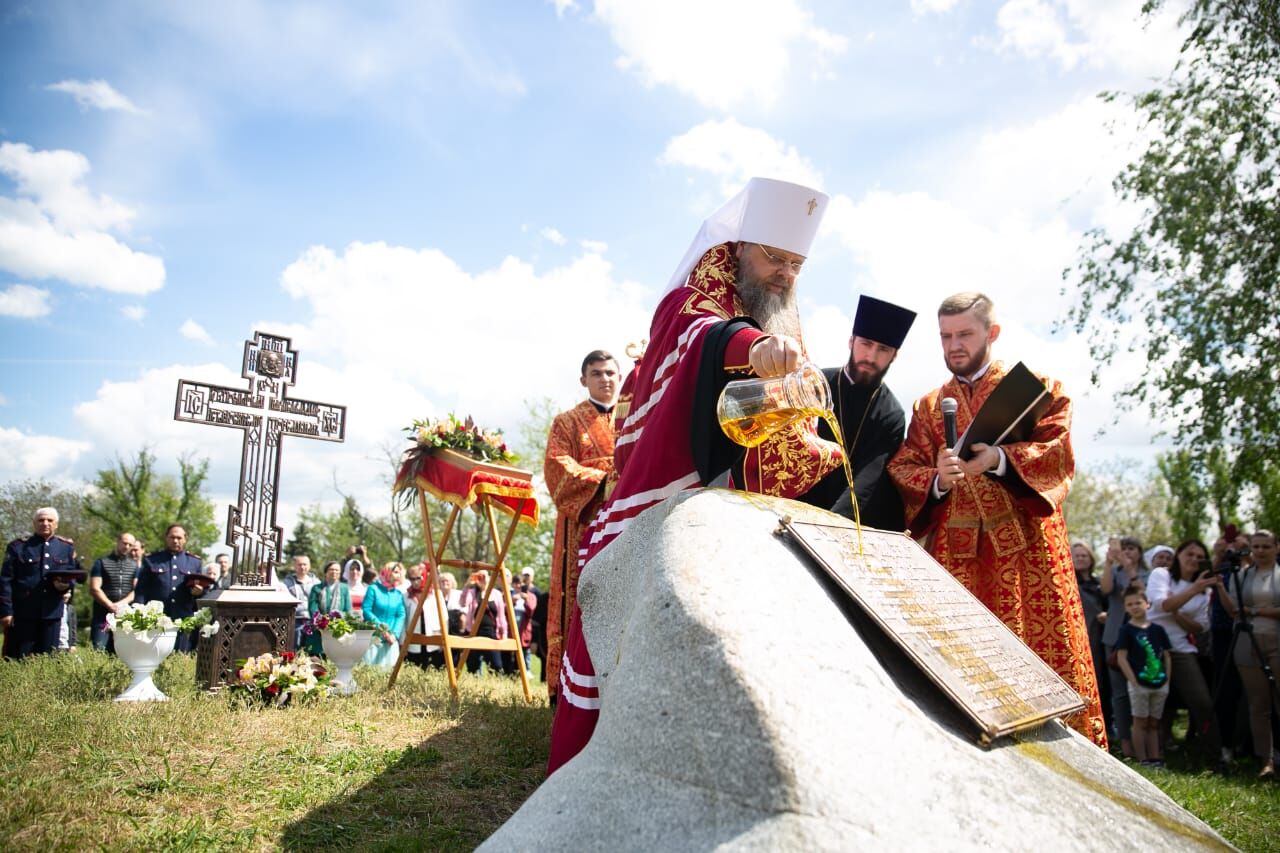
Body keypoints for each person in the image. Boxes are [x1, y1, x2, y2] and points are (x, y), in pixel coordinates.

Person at [549, 177, 841, 772]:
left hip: (750, 520)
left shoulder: (789, 320)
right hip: (674, 510)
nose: (784, 274)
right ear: (738, 251)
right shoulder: (688, 301)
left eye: (796, 264)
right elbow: (697, 334)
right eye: (773, 258)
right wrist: (751, 347)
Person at [886, 291, 1106, 748]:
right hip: (956, 560)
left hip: (1027, 556)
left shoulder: (1042, 391)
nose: (954, 346)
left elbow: (1056, 456)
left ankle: (1064, 752)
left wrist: (1001, 459)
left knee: (1038, 653)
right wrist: (937, 479)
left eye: (965, 334)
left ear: (993, 333)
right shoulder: (930, 406)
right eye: (946, 336)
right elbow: (903, 467)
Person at [544, 350, 619, 702]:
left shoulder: (635, 418)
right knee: (578, 598)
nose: (606, 379)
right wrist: (604, 482)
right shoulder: (567, 421)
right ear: (584, 379)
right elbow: (557, 466)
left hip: (626, 521)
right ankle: (567, 692)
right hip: (583, 524)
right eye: (597, 373)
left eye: (610, 373)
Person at [807, 295, 916, 531]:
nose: (871, 357)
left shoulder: (891, 413)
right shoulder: (814, 383)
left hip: (843, 522)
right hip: (792, 502)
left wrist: (833, 525)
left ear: (894, 355)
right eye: (866, 344)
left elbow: (869, 479)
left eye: (883, 349)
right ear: (851, 341)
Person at [1226, 530, 1279, 779]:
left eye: (1266, 546)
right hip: (1247, 642)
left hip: (1276, 641)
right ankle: (1266, 761)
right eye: (1256, 546)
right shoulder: (1243, 574)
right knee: (1259, 704)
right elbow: (1235, 610)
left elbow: (1248, 610)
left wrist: (1255, 610)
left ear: (1276, 548)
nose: (1260, 551)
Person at [0, 507, 82, 659]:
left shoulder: (65, 548)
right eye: (41, 520)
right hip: (24, 612)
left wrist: (65, 587)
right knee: (20, 657)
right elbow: (5, 581)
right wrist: (6, 611)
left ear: (56, 524)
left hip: (52, 613)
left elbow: (71, 576)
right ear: (34, 523)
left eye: (50, 520)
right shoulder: (18, 547)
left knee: (48, 658)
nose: (45, 523)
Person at [1100, 535, 1151, 758]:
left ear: (1139, 552)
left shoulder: (1147, 574)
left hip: (1141, 637)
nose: (1127, 552)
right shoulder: (1114, 571)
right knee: (1119, 692)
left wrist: (1130, 568)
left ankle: (1149, 740)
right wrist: (1110, 563)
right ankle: (1126, 743)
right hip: (1114, 636)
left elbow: (1144, 592)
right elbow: (1105, 589)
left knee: (1142, 688)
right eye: (1124, 548)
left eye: (1132, 548)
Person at [1115, 585, 1173, 767]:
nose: (1134, 607)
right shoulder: (1126, 630)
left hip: (1159, 683)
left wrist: (1167, 680)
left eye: (1138, 603)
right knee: (1140, 721)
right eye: (1129, 604)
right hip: (1139, 684)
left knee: (1154, 722)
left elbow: (1167, 655)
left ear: (1147, 604)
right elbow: (1121, 657)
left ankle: (1155, 757)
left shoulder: (1158, 630)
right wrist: (1133, 680)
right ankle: (1143, 759)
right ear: (1125, 608)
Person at [135, 525, 213, 652]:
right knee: (154, 654)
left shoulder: (194, 562)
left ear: (185, 539)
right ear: (166, 538)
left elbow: (202, 591)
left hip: (182, 620)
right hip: (156, 619)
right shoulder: (152, 560)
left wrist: (198, 592)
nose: (175, 541)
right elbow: (141, 590)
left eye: (179, 537)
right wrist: (139, 615)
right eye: (172, 537)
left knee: (180, 656)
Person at [1071, 540, 1110, 734]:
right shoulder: (1069, 582)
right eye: (1076, 555)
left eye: (1084, 555)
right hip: (1082, 635)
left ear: (1091, 558)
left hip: (1101, 635)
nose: (1080, 558)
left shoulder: (1098, 583)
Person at [89, 532, 139, 653]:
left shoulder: (135, 566)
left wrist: (121, 605)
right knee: (99, 649)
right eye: (124, 543)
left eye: (130, 544)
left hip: (125, 616)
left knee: (123, 653)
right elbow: (95, 588)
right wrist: (110, 605)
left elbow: (136, 590)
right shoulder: (101, 563)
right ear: (118, 542)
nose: (126, 546)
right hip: (103, 615)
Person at [361, 563, 406, 670]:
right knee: (370, 672)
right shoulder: (373, 589)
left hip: (391, 641)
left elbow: (401, 615)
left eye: (399, 573)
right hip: (373, 638)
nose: (398, 575)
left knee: (390, 673)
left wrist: (394, 635)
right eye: (395, 572)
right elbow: (367, 611)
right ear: (387, 572)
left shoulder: (398, 594)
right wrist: (382, 630)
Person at [304, 560, 352, 656]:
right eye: (331, 569)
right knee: (318, 658)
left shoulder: (344, 588)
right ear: (326, 572)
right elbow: (313, 608)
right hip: (319, 629)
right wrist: (322, 622)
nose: (334, 572)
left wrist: (337, 620)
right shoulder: (316, 588)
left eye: (337, 570)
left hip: (337, 629)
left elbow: (348, 610)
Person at [282, 555, 319, 649]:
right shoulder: (287, 583)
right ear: (295, 566)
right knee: (295, 649)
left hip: (312, 620)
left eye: (305, 564)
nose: (302, 567)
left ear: (309, 566)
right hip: (295, 620)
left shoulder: (317, 583)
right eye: (299, 564)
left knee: (311, 649)